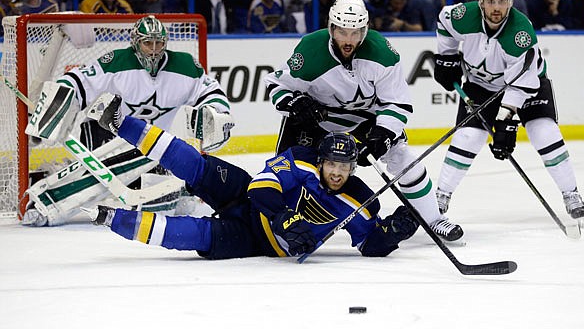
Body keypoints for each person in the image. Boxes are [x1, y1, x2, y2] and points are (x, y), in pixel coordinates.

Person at [84, 97, 420, 259]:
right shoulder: (301, 161)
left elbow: (369, 245)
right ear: (321, 160)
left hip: (257, 241)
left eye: (343, 167)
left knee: (196, 236)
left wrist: (394, 233)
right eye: (331, 164)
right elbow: (261, 187)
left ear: (352, 169)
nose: (336, 172)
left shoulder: (358, 199)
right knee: (199, 166)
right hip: (247, 197)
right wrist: (282, 215)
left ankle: (112, 219)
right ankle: (122, 123)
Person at [263, 0, 464, 242]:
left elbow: (397, 102)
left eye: (356, 33)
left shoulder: (382, 53)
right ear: (331, 28)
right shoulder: (310, 50)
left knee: (403, 158)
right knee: (285, 169)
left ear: (365, 30)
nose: (349, 40)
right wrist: (297, 103)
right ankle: (280, 221)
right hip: (315, 120)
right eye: (343, 32)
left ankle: (434, 220)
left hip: (364, 119)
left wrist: (383, 135)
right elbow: (275, 85)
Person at [22, 15, 234, 227]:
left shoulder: (185, 66)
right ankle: (45, 205)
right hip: (105, 130)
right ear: (135, 43)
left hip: (150, 145)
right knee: (105, 180)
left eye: (158, 43)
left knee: (162, 204)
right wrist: (58, 100)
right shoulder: (116, 61)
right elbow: (78, 80)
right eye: (147, 43)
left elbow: (211, 90)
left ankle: (60, 172)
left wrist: (213, 110)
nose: (153, 49)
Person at [433, 0, 584, 221]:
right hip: (480, 85)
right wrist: (446, 56)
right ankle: (441, 195)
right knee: (468, 136)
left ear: (510, 2)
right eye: (491, 1)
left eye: (502, 1)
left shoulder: (520, 32)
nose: (497, 8)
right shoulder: (463, 15)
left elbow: (521, 84)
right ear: (481, 1)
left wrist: (505, 120)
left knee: (543, 132)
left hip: (527, 86)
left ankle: (571, 193)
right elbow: (443, 21)